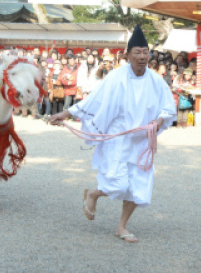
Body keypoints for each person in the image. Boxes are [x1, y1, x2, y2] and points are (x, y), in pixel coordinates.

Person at [48, 25, 176, 243]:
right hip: (119, 136)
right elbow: (92, 101)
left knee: (138, 186)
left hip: (143, 139)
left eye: (145, 52)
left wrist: (159, 121)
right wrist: (65, 113)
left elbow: (168, 108)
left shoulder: (156, 80)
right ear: (128, 55)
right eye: (137, 52)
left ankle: (122, 227)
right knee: (117, 183)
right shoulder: (116, 77)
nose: (142, 56)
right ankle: (93, 194)